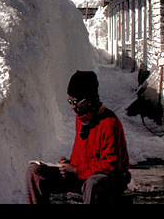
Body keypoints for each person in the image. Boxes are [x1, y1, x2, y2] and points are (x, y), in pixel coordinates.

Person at [27, 70, 131, 204]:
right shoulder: (81, 118)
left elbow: (110, 166)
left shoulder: (109, 122)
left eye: (75, 102)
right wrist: (69, 164)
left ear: (89, 100)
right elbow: (86, 156)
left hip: (108, 179)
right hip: (81, 174)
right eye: (69, 101)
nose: (72, 107)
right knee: (35, 171)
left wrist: (76, 170)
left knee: (93, 182)